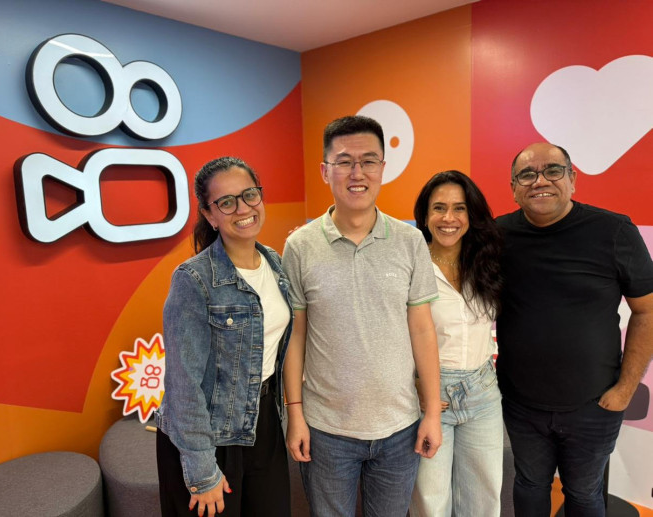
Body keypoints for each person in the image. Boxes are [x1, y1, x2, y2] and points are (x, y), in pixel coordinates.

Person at [281, 115, 442, 517]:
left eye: (369, 161)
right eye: (344, 161)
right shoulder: (299, 246)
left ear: (382, 168)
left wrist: (432, 413)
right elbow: (295, 336)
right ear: (325, 171)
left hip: (399, 427)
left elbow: (422, 330)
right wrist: (295, 413)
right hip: (325, 429)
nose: (358, 173)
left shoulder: (409, 241)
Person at [496, 142, 653, 516]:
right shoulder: (496, 235)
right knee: (529, 485)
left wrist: (625, 389)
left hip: (594, 405)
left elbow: (647, 312)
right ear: (514, 188)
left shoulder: (614, 231)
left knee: (583, 494)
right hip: (521, 404)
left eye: (553, 170)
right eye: (527, 174)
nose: (540, 181)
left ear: (572, 179)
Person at [155, 157, 293, 517]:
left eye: (249, 195)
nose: (243, 209)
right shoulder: (193, 279)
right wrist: (202, 470)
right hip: (208, 435)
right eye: (227, 202)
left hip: (263, 423)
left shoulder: (275, 263)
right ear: (210, 215)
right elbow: (183, 384)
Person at [409, 170, 504, 517]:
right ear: (425, 216)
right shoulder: (411, 264)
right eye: (439, 208)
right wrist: (415, 384)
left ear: (471, 214)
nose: (449, 218)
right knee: (430, 502)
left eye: (459, 208)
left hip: (483, 392)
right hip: (430, 394)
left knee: (484, 499)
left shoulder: (486, 261)